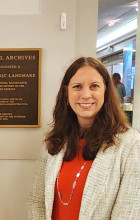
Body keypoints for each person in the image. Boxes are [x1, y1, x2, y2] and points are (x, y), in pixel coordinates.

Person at [28, 57, 140, 219]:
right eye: (77, 86)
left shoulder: (129, 143)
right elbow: (36, 201)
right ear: (66, 94)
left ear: (106, 92)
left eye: (94, 86)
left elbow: (128, 212)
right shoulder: (55, 141)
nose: (86, 95)